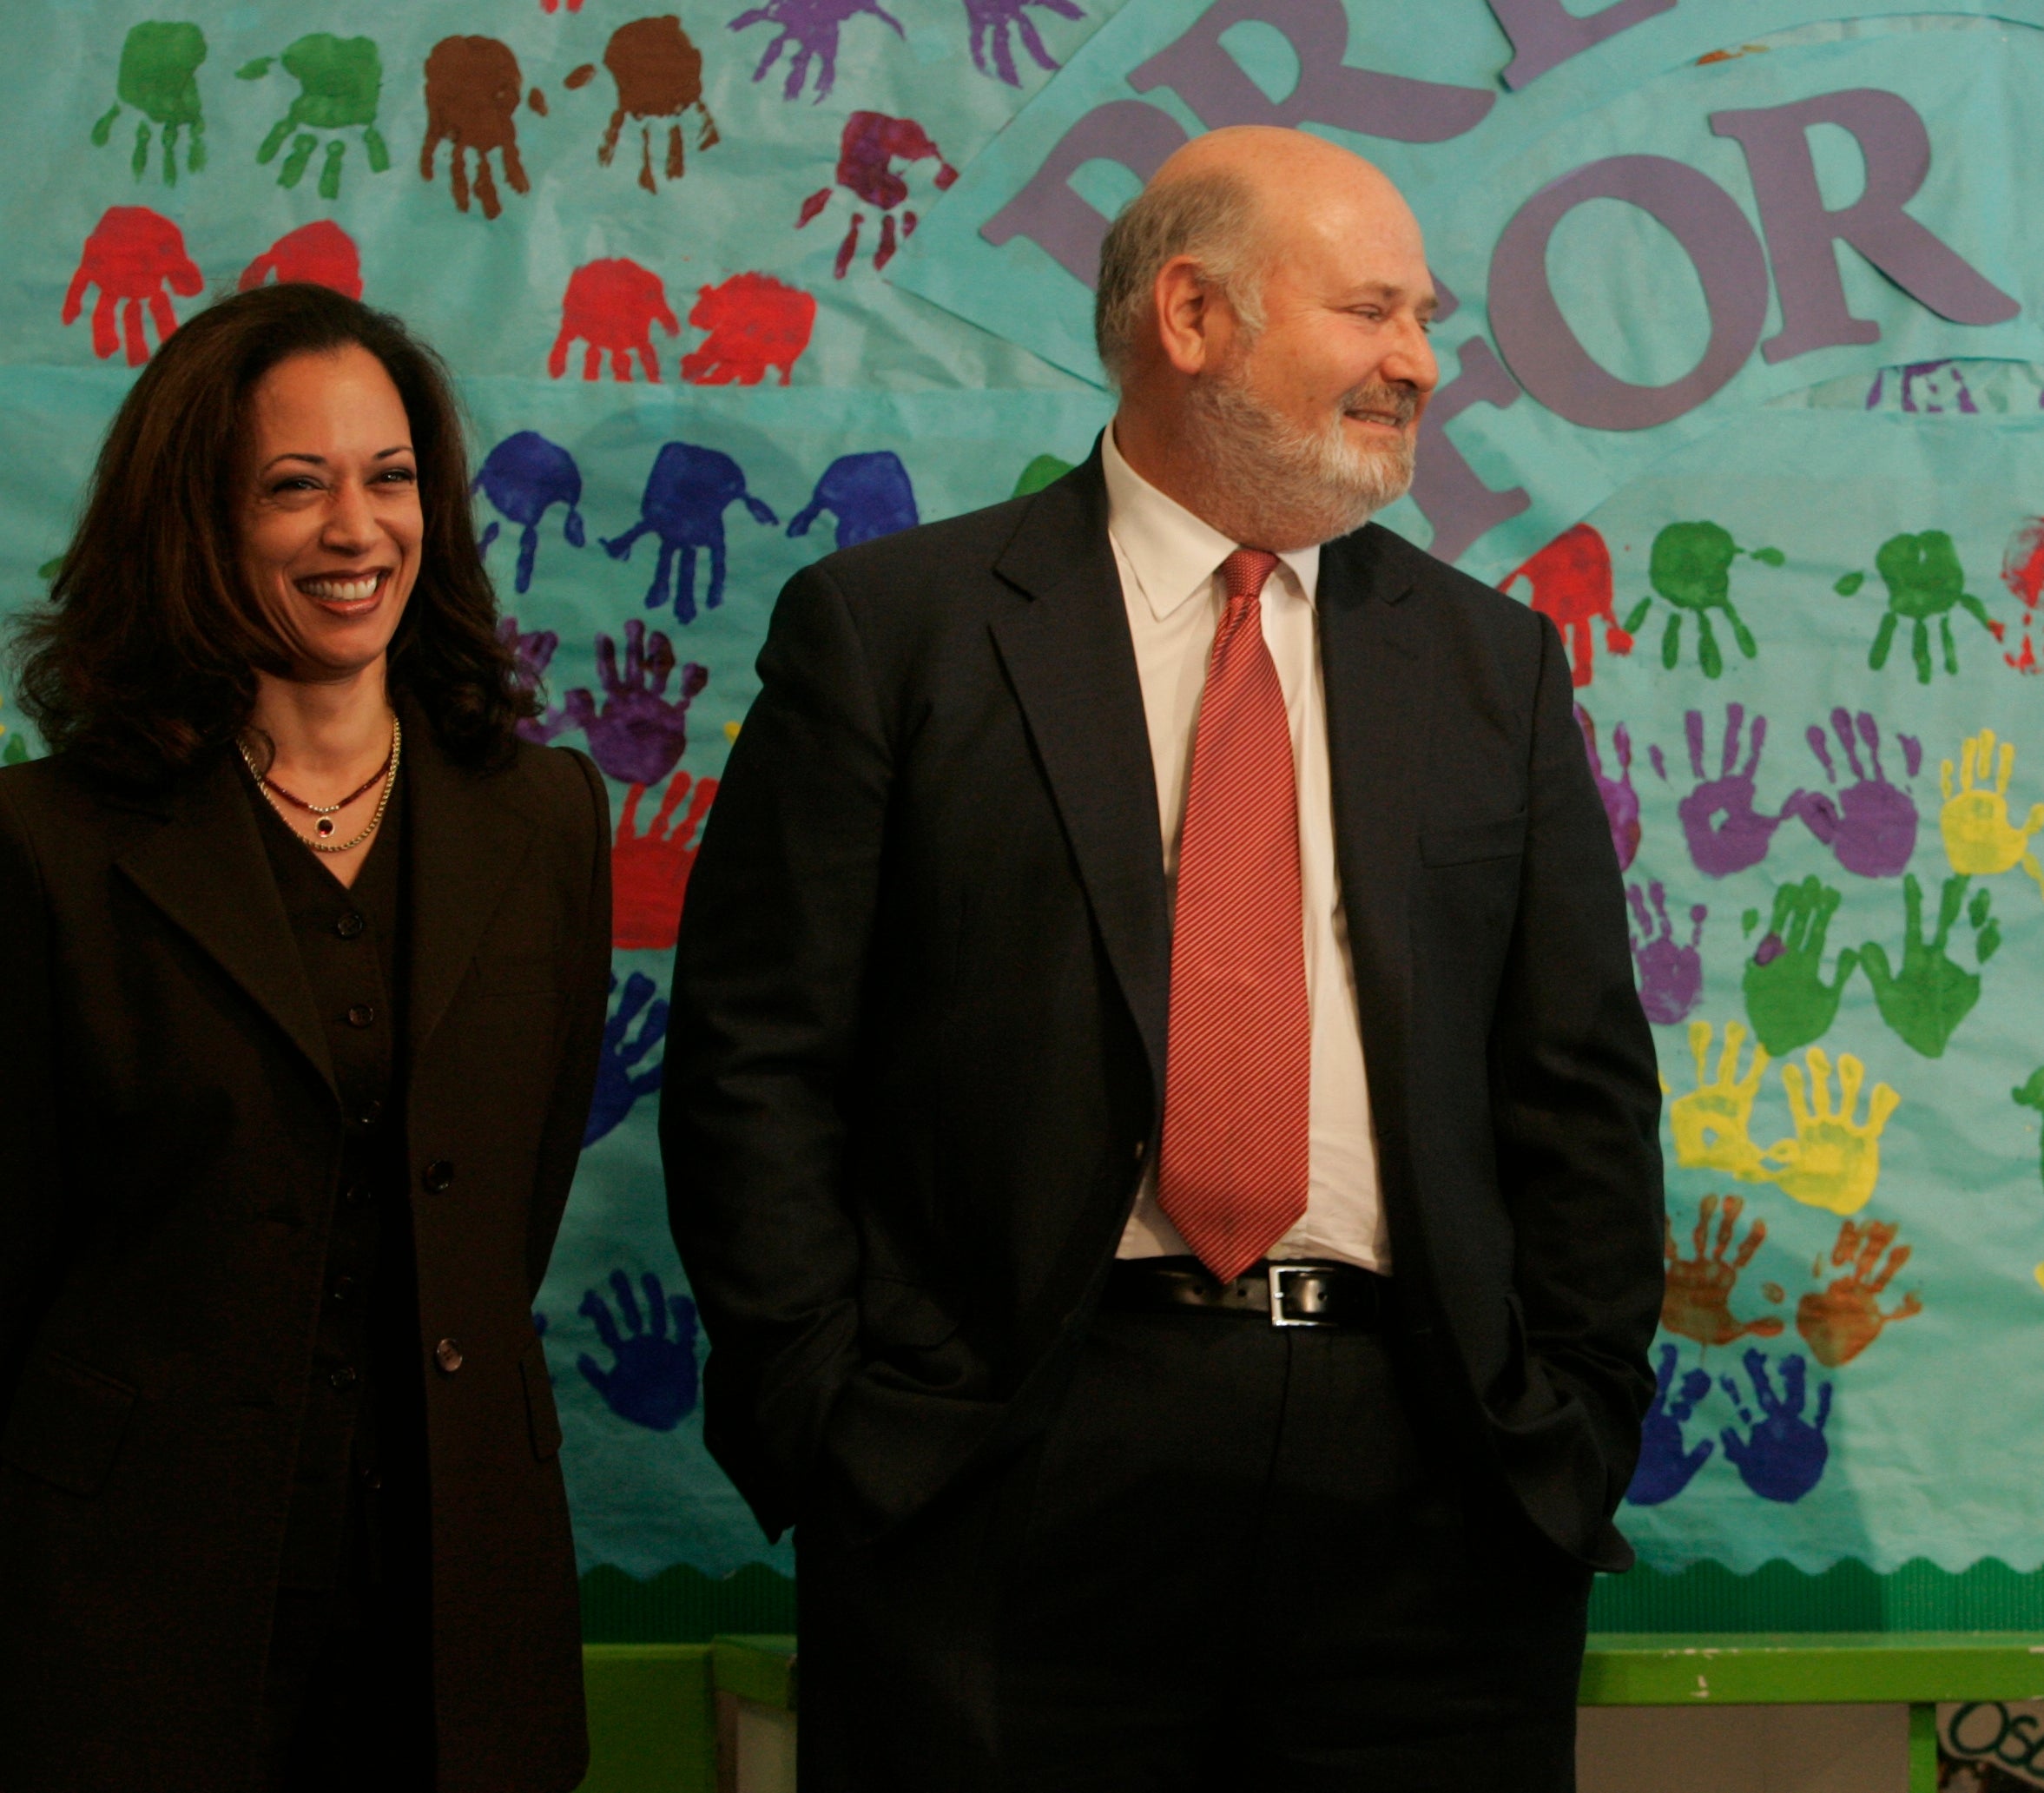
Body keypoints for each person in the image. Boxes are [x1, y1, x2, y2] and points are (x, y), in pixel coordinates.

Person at [663, 126, 1664, 1790]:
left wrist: (1568, 1421)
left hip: (1426, 1485)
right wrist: (837, 1419)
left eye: (1423, 321)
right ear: (1190, 316)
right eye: (1370, 311)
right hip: (999, 1471)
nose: (1419, 364)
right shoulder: (894, 631)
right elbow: (754, 1063)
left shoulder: (1491, 668)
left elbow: (1577, 1088)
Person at [0, 284, 611, 1793]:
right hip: (129, 1609)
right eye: (294, 485)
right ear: (195, 523)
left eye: (389, 477)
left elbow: (513, 1202)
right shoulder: (45, 842)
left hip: (461, 1602)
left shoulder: (545, 819)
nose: (356, 529)